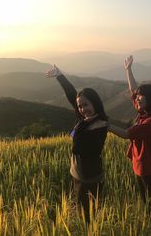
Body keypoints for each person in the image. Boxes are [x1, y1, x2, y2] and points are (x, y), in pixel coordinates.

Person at [46, 65, 108, 223]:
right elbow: (72, 95)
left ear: (95, 103)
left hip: (89, 177)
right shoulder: (85, 120)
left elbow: (79, 148)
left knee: (87, 216)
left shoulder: (99, 125)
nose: (82, 109)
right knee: (81, 211)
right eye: (80, 106)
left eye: (86, 105)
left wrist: (80, 127)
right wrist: (60, 76)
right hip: (77, 173)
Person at [108, 55, 151, 207]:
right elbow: (133, 90)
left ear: (150, 101)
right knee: (148, 203)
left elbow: (127, 134)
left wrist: (105, 125)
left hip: (150, 171)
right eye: (137, 100)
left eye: (140, 100)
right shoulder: (143, 113)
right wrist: (128, 70)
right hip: (140, 168)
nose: (137, 102)